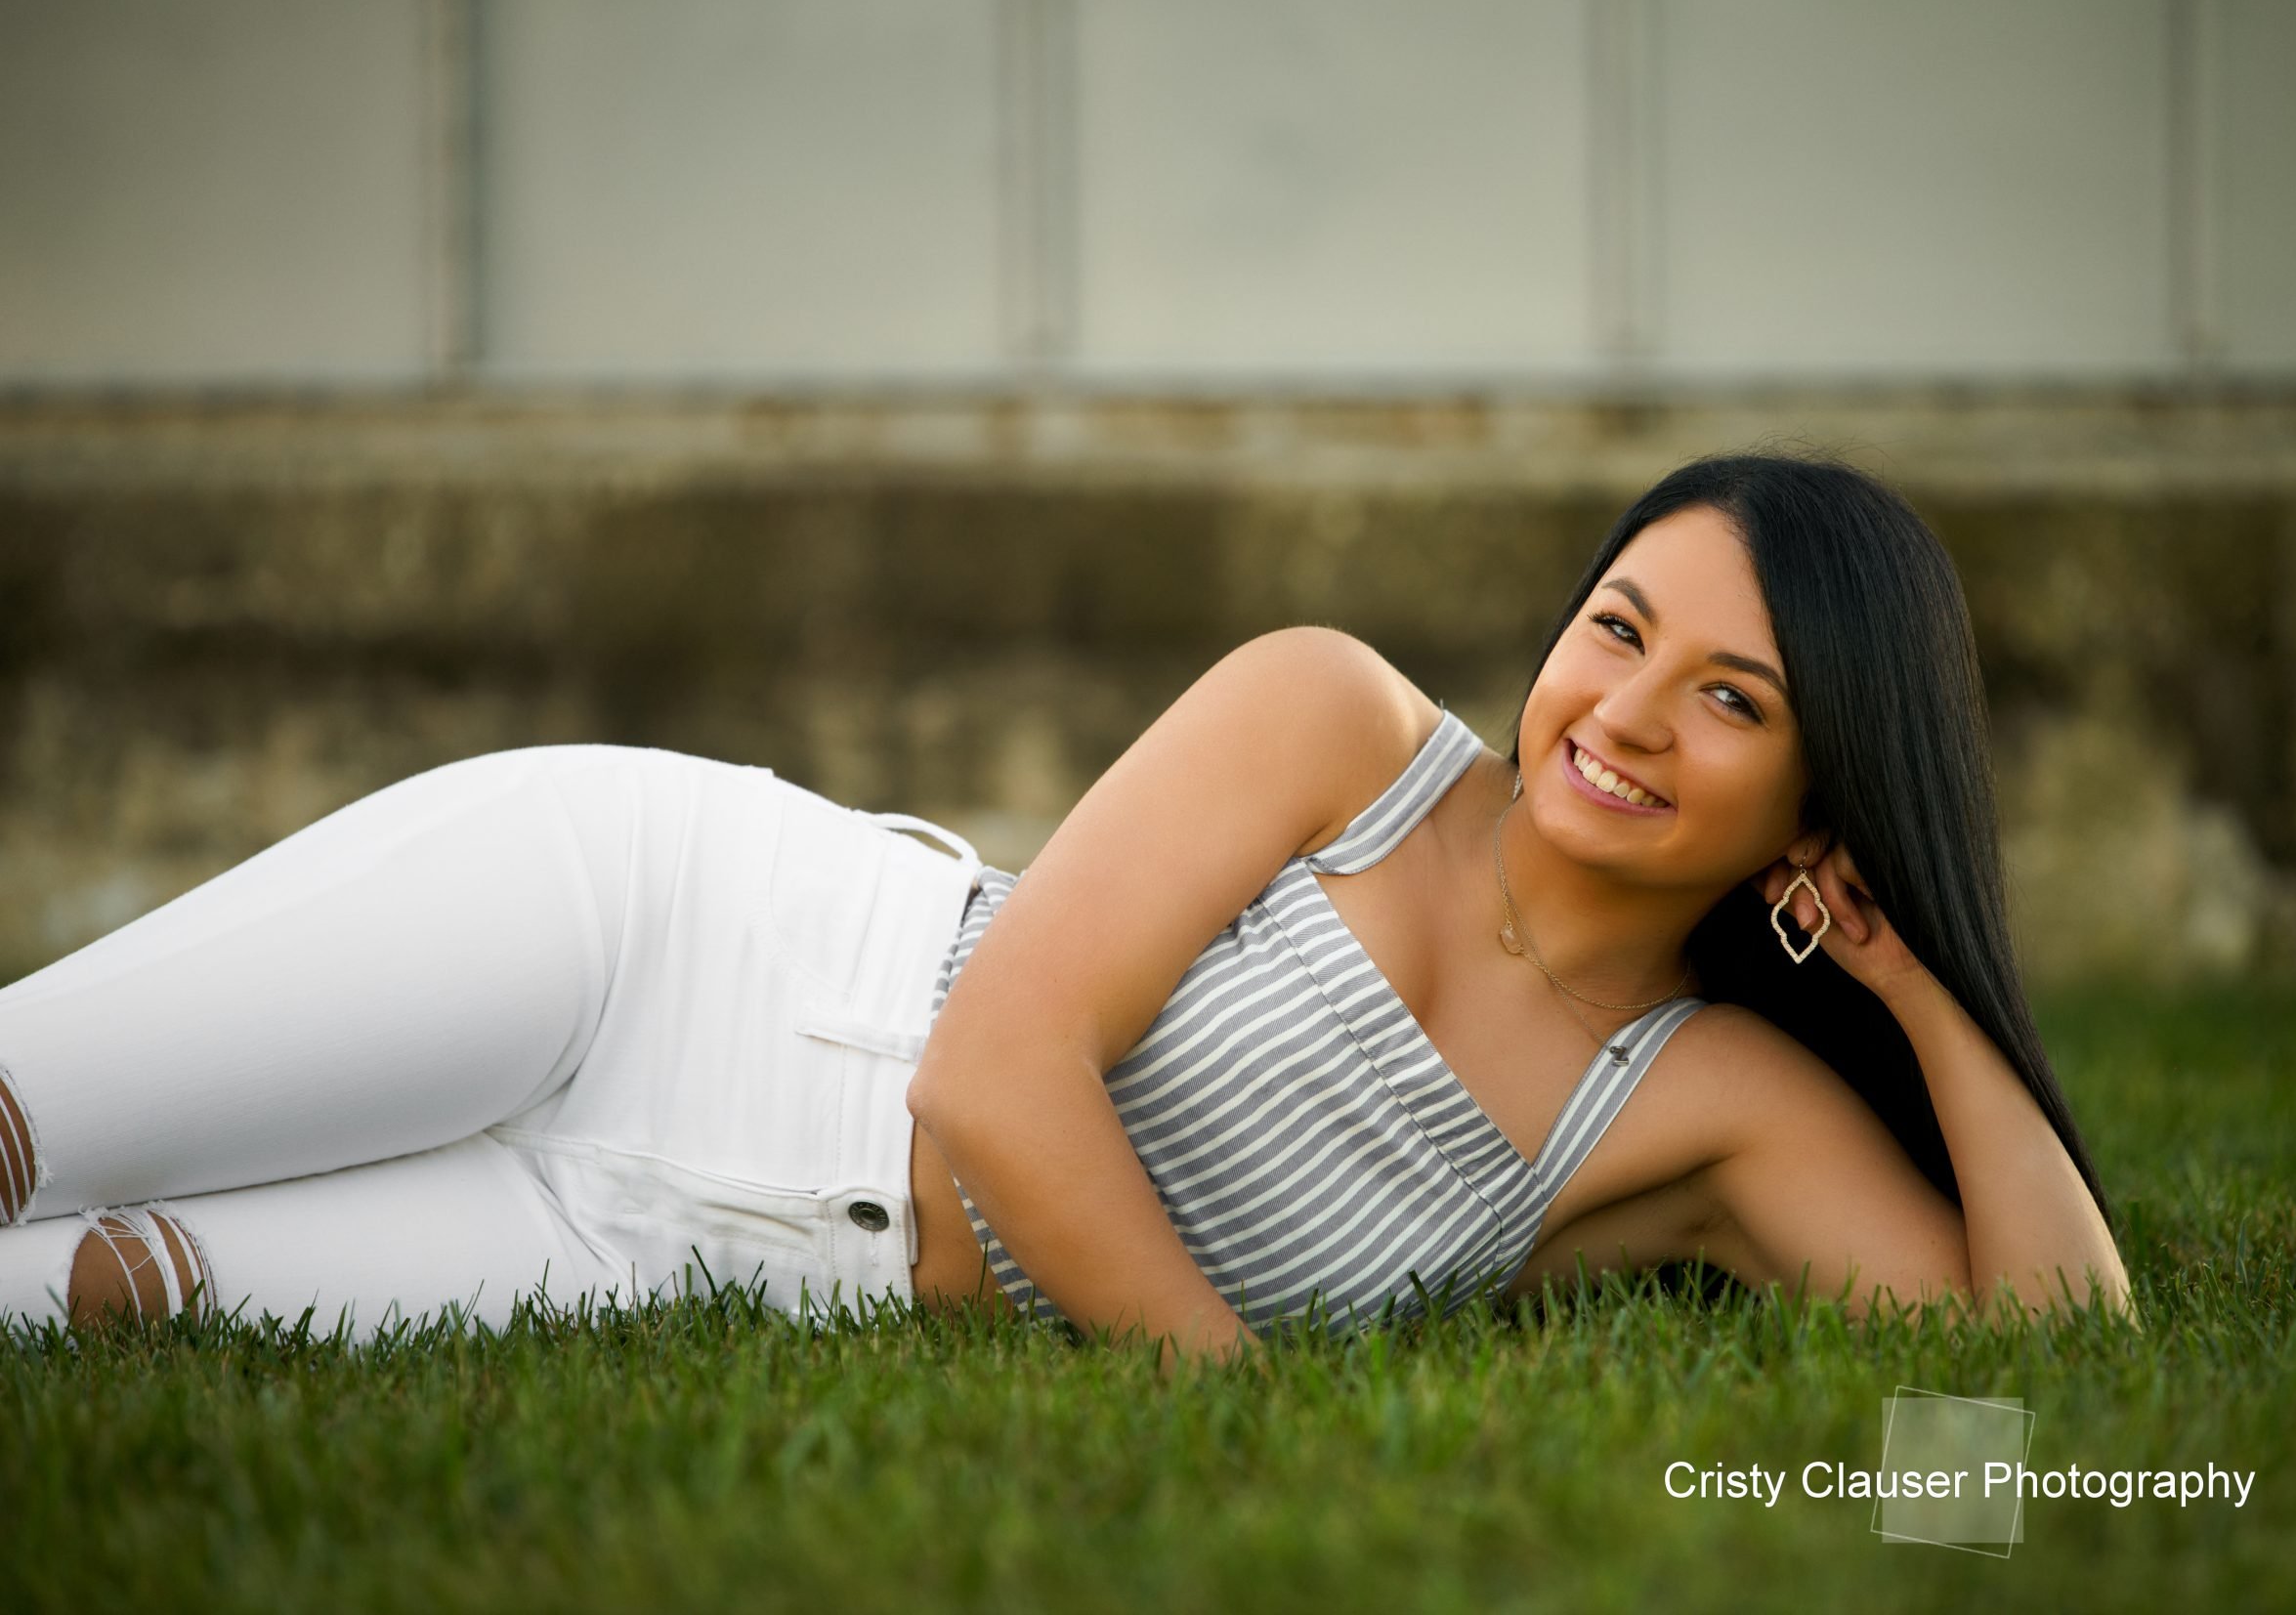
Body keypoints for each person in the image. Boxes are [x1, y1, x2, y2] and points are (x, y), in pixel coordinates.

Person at [0, 453, 2134, 1370]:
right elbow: (999, 1071)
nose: (1623, 712)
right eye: (1617, 624)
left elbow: (2054, 1361)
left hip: (677, 1251)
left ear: (1818, 791)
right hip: (668, 942)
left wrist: (1905, 977)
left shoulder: (1702, 1111)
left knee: (106, 1295)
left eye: (1731, 697)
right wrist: (1249, 1427)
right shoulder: (1332, 720)